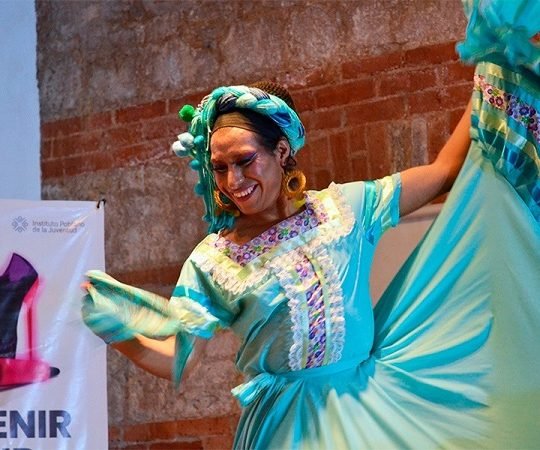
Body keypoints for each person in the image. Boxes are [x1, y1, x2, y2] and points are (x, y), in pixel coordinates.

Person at [82, 0, 540, 448]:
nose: (233, 181)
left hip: (367, 413)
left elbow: (443, 171)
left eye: (244, 161)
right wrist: (115, 330)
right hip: (285, 428)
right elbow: (177, 360)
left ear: (281, 152)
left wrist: (494, 66)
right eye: (219, 168)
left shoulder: (346, 210)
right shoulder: (213, 261)